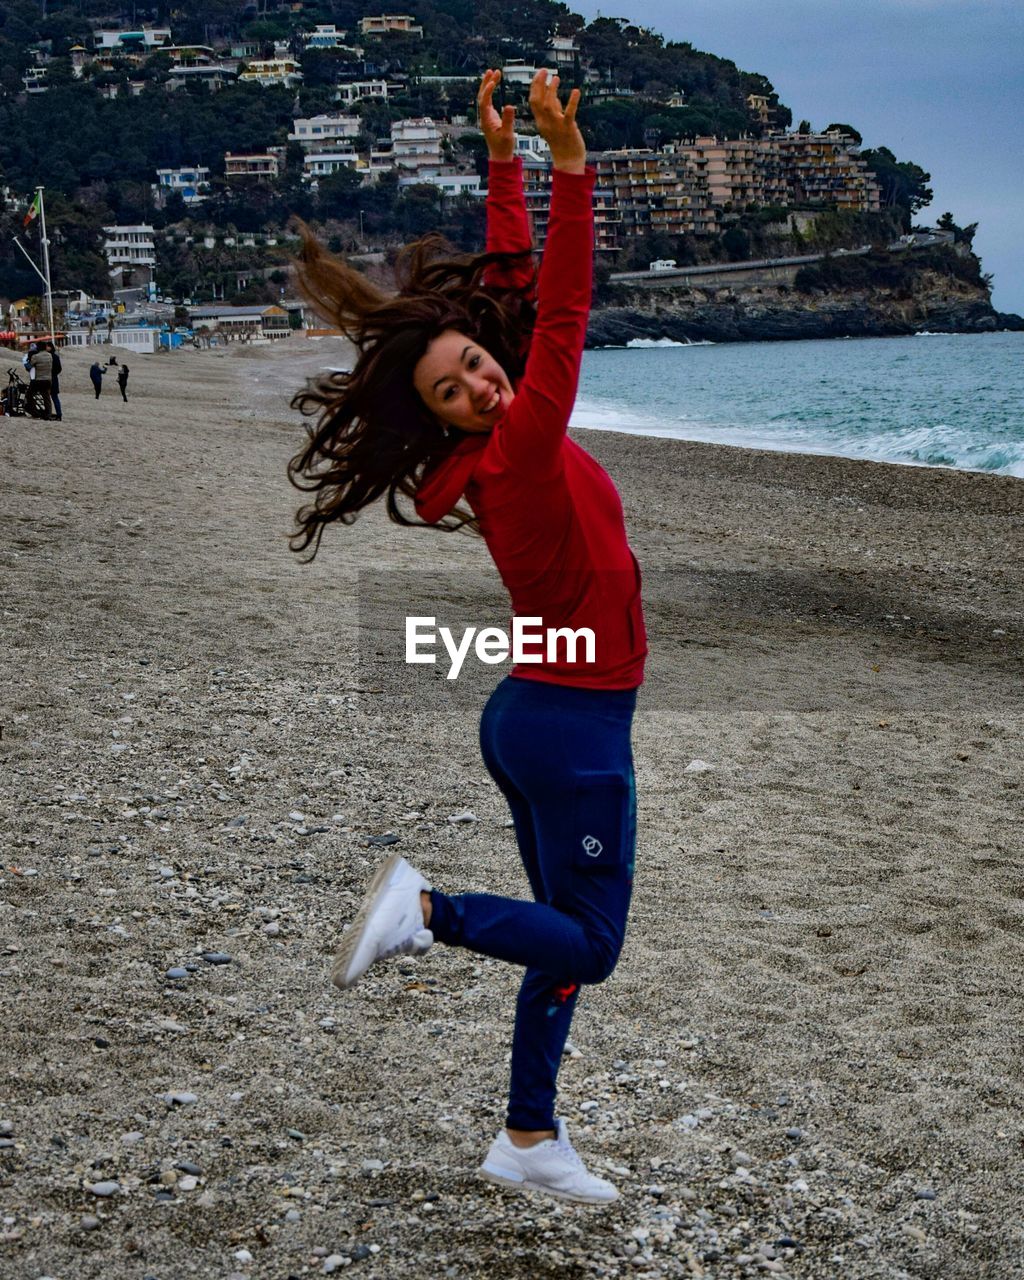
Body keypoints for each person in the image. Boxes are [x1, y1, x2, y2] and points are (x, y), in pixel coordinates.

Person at [288, 69, 647, 1206]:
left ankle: (528, 1136)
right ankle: (423, 910)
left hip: (536, 712)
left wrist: (503, 162)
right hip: (571, 727)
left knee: (558, 935)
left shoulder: (482, 453)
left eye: (478, 367)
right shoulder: (524, 446)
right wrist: (570, 166)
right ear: (441, 416)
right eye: (455, 388)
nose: (483, 383)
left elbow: (507, 293)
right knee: (589, 941)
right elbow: (562, 305)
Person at [27, 341, 54, 420]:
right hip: (48, 380)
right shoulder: (50, 355)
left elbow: (29, 366)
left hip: (38, 380)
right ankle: (48, 414)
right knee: (46, 398)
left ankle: (35, 412)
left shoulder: (36, 356)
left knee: (29, 395)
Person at [46, 341, 63, 421]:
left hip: (50, 378)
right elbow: (59, 369)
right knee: (53, 397)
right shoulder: (55, 356)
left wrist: (52, 373)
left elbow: (59, 369)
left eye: (47, 346)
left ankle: (55, 414)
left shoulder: (51, 356)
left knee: (52, 397)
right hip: (53, 378)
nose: (46, 348)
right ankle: (58, 414)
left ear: (50, 347)